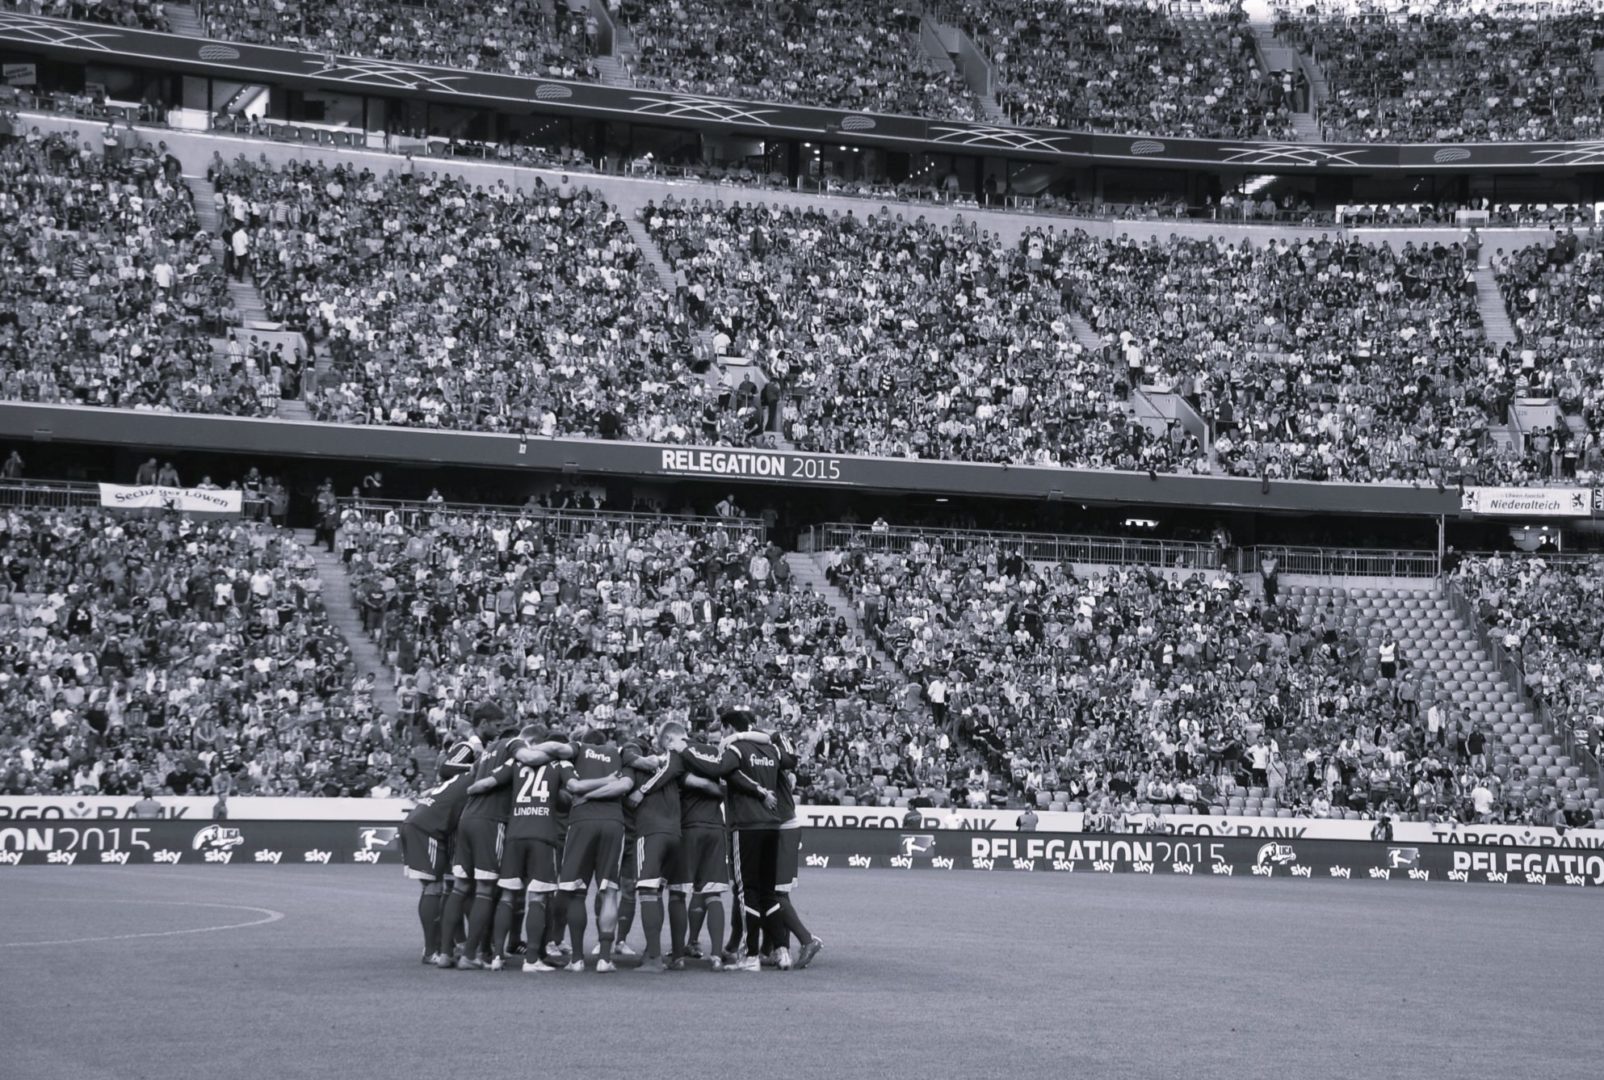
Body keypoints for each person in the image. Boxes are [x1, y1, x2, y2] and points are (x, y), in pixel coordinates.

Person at [681, 708, 783, 972]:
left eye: (721, 733)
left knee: (744, 891)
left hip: (743, 824)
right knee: (767, 892)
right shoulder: (768, 749)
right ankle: (781, 950)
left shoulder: (734, 750)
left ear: (728, 729)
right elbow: (783, 757)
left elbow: (722, 770)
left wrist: (686, 753)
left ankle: (749, 955)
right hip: (768, 823)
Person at [557, 727, 634, 972]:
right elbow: (624, 786)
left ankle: (577, 960)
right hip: (613, 822)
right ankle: (604, 958)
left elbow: (572, 786)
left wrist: (587, 796)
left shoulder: (575, 752)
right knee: (609, 891)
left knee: (576, 892)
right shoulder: (620, 754)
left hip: (581, 822)